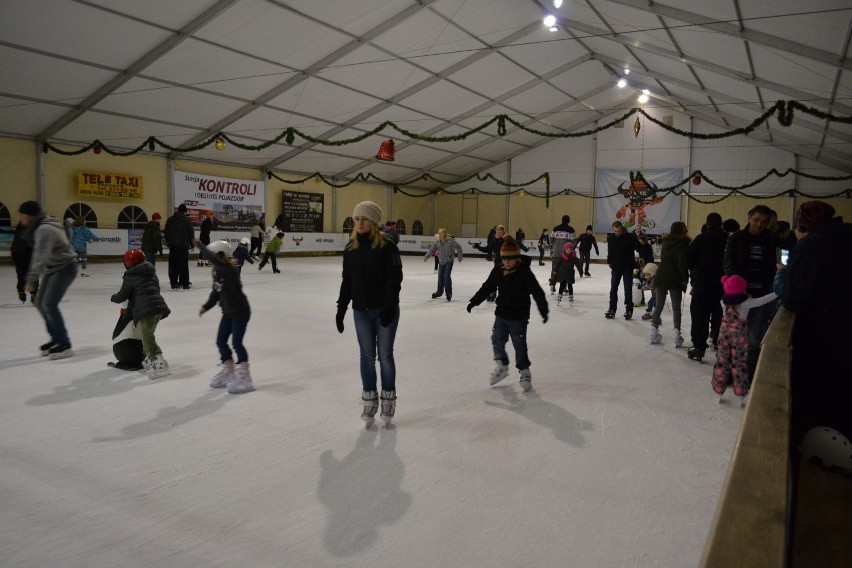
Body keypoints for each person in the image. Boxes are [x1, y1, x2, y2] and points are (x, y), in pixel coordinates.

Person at [781, 200, 852, 447]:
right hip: (840, 334)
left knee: (822, 399)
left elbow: (792, 297)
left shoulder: (811, 246)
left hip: (825, 338)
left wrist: (782, 273)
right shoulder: (845, 237)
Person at [336, 201, 403, 427]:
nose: (360, 223)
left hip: (384, 309)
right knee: (366, 356)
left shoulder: (387, 246)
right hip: (361, 311)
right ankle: (369, 398)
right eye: (356, 219)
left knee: (385, 355)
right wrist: (341, 308)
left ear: (373, 222)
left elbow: (395, 279)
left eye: (364, 219)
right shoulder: (350, 248)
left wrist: (389, 306)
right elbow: (347, 281)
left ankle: (388, 398)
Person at [467, 236, 548, 393]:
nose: (507, 262)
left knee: (519, 345)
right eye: (504, 259)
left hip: (519, 316)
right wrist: (474, 301)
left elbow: (537, 292)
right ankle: (502, 364)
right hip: (501, 314)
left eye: (510, 259)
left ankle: (524, 371)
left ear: (517, 258)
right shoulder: (498, 270)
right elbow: (487, 287)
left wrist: (543, 310)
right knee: (496, 338)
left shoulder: (525, 272)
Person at [18, 200, 77, 359]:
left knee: (49, 304)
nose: (20, 218)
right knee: (40, 303)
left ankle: (64, 344)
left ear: (30, 216)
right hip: (54, 267)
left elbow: (39, 257)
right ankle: (56, 338)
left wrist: (31, 279)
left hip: (65, 267)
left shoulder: (44, 229)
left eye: (22, 215)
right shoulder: (40, 227)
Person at [723, 204, 776, 379]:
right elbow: (728, 263)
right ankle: (730, 372)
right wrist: (737, 286)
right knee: (733, 335)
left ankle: (748, 374)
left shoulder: (770, 239)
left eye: (763, 221)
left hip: (761, 294)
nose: (759, 224)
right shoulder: (736, 238)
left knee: (754, 337)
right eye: (756, 220)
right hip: (739, 297)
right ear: (749, 218)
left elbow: (771, 266)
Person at [197, 240, 254, 394]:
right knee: (221, 342)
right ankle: (229, 370)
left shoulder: (229, 269)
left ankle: (245, 376)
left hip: (240, 312)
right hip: (228, 313)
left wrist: (200, 245)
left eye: (211, 257)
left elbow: (217, 261)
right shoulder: (217, 272)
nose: (209, 260)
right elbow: (216, 293)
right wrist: (206, 307)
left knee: (236, 343)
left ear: (220, 256)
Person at [711, 275, 777, 399]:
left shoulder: (723, 302)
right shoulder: (746, 303)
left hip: (724, 334)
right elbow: (763, 300)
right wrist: (777, 293)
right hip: (739, 336)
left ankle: (719, 386)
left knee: (722, 359)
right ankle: (741, 389)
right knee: (739, 362)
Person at [110, 249, 172, 379]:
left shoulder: (130, 275)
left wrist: (114, 298)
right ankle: (150, 360)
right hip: (159, 308)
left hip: (146, 310)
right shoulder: (151, 272)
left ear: (128, 263)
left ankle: (159, 363)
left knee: (147, 338)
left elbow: (123, 295)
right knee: (147, 335)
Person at [686, 213, 727, 361]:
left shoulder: (701, 238)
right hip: (723, 285)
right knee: (720, 315)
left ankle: (699, 347)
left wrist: (697, 269)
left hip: (703, 284)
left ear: (707, 223)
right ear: (721, 223)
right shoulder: (728, 238)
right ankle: (718, 342)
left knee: (699, 316)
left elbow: (689, 260)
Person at [648, 222, 690, 346]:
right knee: (676, 307)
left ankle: (653, 332)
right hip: (675, 277)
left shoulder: (665, 242)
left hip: (661, 275)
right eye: (685, 228)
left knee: (659, 305)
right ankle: (677, 335)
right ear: (681, 230)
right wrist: (685, 277)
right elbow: (681, 262)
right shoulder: (683, 243)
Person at [605, 220, 638, 319]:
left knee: (627, 289)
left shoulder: (630, 238)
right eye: (615, 231)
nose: (617, 233)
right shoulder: (611, 238)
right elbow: (610, 251)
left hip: (627, 267)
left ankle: (629, 310)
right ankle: (612, 309)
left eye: (619, 231)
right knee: (613, 289)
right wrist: (609, 261)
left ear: (622, 229)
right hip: (616, 267)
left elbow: (639, 247)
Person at [423, 228, 463, 302]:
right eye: (439, 233)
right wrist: (427, 256)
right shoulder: (438, 242)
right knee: (440, 277)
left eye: (441, 233)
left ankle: (448, 294)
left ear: (445, 234)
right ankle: (439, 292)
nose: (439, 235)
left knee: (446, 276)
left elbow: (459, 248)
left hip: (449, 261)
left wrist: (459, 257)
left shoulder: (451, 242)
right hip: (441, 261)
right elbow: (432, 249)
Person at [164, 203, 194, 290]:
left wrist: (169, 243)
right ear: (184, 211)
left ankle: (174, 283)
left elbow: (166, 233)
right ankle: (184, 283)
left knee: (173, 265)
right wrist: (191, 244)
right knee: (183, 265)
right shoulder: (186, 220)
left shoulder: (170, 220)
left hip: (173, 247)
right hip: (183, 247)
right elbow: (190, 233)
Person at [11, 221, 38, 303]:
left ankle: (21, 290)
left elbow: (15, 242)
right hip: (30, 254)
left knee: (21, 274)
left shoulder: (19, 228)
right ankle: (34, 294)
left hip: (19, 254)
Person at [549, 215, 577, 293]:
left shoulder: (555, 229)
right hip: (565, 255)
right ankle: (564, 287)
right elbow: (574, 242)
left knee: (554, 269)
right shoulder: (571, 230)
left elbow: (551, 240)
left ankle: (552, 286)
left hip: (555, 253)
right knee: (565, 271)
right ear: (568, 221)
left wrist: (555, 246)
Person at [552, 241, 577, 306]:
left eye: (570, 249)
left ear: (571, 250)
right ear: (564, 249)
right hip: (562, 273)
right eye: (567, 249)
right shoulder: (562, 256)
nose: (568, 250)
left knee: (570, 286)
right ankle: (559, 297)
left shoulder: (574, 257)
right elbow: (558, 264)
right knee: (561, 286)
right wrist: (555, 269)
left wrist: (580, 270)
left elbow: (578, 264)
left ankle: (571, 298)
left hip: (570, 274)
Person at [633, 234, 655, 305]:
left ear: (642, 241)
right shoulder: (638, 247)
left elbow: (650, 257)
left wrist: (644, 260)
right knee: (640, 282)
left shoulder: (647, 247)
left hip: (647, 267)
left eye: (639, 241)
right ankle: (641, 299)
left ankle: (654, 300)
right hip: (640, 267)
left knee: (651, 283)